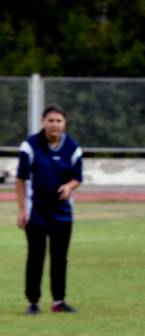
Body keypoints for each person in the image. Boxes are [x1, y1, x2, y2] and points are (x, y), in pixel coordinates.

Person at [16, 105, 82, 315]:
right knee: (35, 256)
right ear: (43, 122)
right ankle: (33, 301)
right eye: (50, 120)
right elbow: (20, 179)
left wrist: (69, 187)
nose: (55, 125)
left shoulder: (72, 147)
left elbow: (77, 178)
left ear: (65, 123)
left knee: (60, 257)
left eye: (59, 121)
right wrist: (21, 210)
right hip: (36, 212)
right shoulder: (30, 146)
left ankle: (58, 301)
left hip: (62, 213)